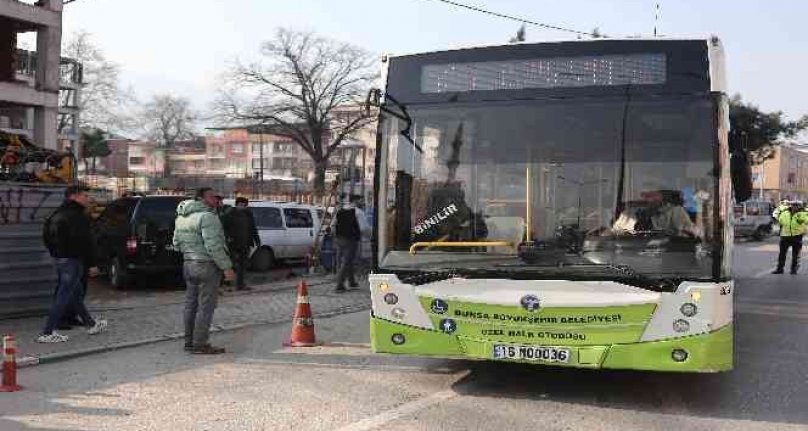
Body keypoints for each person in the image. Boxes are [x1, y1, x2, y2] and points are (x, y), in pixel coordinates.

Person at [37, 185, 108, 343]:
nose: (87, 198)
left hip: (61, 260)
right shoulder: (77, 216)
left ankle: (91, 324)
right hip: (73, 261)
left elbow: (46, 236)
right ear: (74, 196)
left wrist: (55, 254)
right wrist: (92, 264)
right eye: (84, 195)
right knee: (63, 295)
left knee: (75, 295)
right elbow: (85, 242)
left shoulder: (56, 213)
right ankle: (47, 333)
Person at [173, 187, 236, 354]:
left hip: (189, 263)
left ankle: (189, 342)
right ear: (201, 198)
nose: (216, 199)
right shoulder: (208, 217)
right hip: (207, 265)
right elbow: (214, 246)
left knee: (190, 305)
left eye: (217, 197)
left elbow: (176, 243)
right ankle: (200, 343)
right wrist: (226, 267)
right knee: (206, 306)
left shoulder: (181, 217)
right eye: (212, 196)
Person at [331, 194, 370, 293]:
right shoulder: (358, 212)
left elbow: (333, 224)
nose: (362, 203)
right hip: (351, 239)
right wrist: (370, 237)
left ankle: (352, 281)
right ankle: (339, 285)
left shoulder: (340, 211)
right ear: (356, 201)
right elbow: (363, 228)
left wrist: (335, 236)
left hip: (339, 238)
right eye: (361, 200)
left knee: (346, 260)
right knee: (347, 261)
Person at [221, 197, 261, 290]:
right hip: (233, 244)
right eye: (240, 205)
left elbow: (253, 229)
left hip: (245, 243)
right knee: (230, 265)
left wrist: (257, 240)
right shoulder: (230, 214)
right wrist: (228, 238)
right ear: (237, 204)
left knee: (243, 265)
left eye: (244, 205)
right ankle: (226, 285)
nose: (242, 207)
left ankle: (240, 284)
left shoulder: (248, 215)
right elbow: (223, 228)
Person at [772, 200, 808, 274]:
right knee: (782, 254)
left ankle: (793, 269)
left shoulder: (803, 213)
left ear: (800, 206)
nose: (795, 207)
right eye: (794, 205)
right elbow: (779, 219)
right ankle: (780, 269)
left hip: (797, 236)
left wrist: (801, 221)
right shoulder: (785, 212)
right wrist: (777, 221)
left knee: (795, 254)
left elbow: (806, 220)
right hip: (785, 236)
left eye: (797, 205)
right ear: (791, 205)